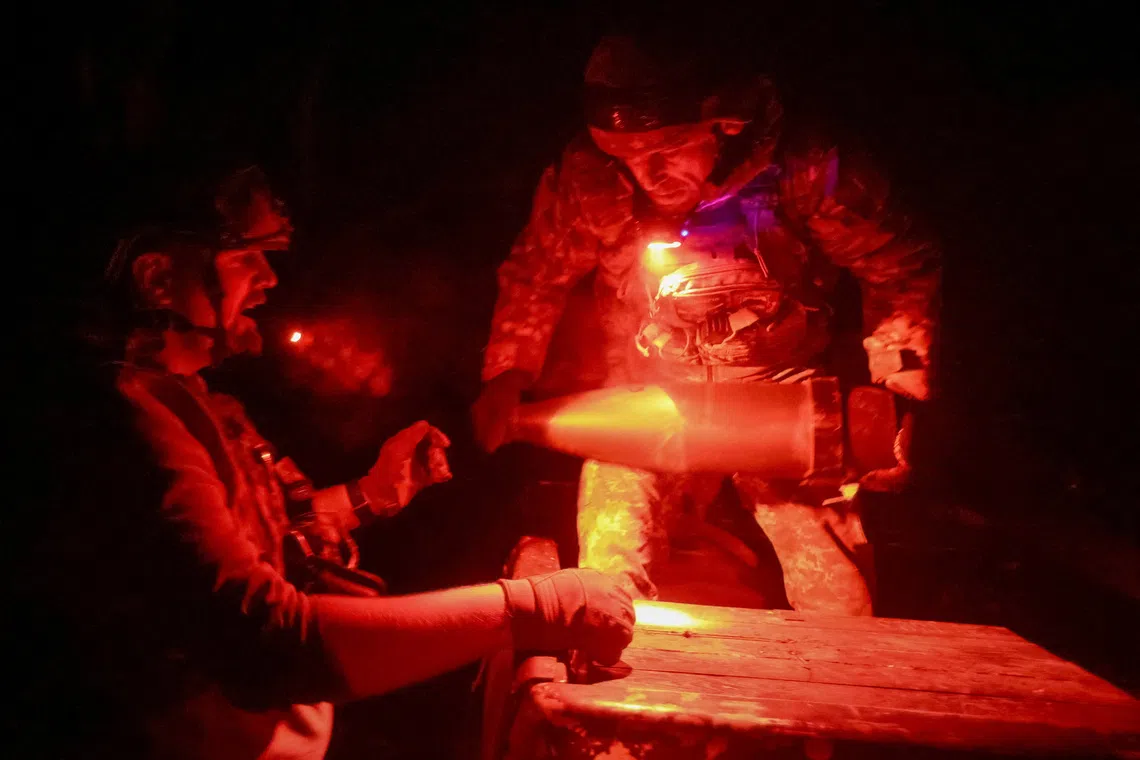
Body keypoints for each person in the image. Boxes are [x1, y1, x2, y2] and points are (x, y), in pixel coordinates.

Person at [88, 166, 634, 759]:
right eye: (248, 258)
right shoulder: (125, 418)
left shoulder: (183, 396)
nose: (270, 280)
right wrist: (531, 608)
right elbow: (264, 641)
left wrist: (369, 495)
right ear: (159, 277)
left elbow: (240, 545)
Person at [473, 36, 940, 615]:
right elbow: (537, 271)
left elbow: (899, 265)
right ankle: (612, 677)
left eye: (667, 150)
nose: (647, 176)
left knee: (830, 572)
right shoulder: (591, 181)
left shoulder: (807, 169)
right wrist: (508, 374)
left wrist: (897, 388)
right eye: (628, 159)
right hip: (646, 403)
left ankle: (842, 688)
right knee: (610, 546)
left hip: (786, 403)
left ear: (724, 125)